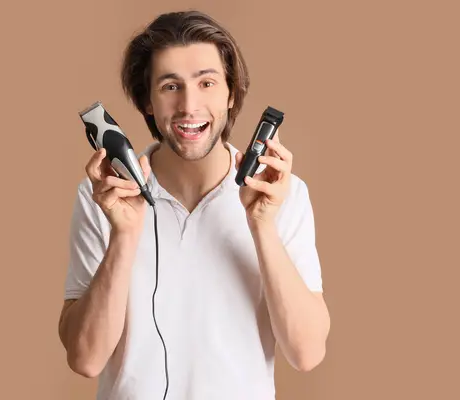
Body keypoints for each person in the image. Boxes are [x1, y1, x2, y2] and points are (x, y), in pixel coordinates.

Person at [58, 10, 330, 400]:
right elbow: (85, 359)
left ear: (231, 92)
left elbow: (307, 354)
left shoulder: (283, 194)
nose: (189, 105)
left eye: (207, 83)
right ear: (147, 101)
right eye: (170, 86)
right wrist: (125, 234)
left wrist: (262, 226)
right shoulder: (103, 196)